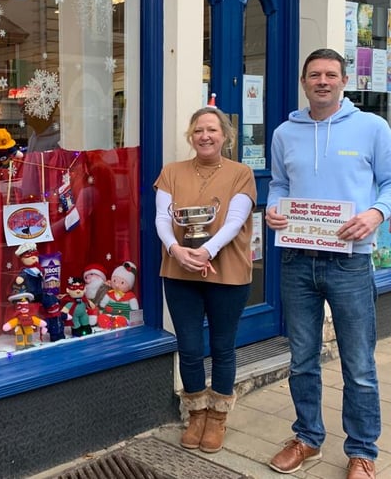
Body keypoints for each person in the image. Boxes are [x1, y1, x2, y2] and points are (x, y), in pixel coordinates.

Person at [265, 48, 391, 479]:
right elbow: (280, 183)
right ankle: (307, 438)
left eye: (331, 75)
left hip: (350, 264)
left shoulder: (373, 127)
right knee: (301, 358)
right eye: (314, 75)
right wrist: (273, 209)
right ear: (304, 83)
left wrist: (375, 213)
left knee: (358, 365)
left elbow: (390, 182)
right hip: (297, 259)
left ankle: (362, 452)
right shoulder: (285, 132)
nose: (322, 81)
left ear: (343, 80)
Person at [154, 106, 256, 454]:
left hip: (227, 272)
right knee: (190, 347)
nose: (205, 136)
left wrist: (206, 251)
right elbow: (161, 217)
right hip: (179, 270)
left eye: (212, 130)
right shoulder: (171, 172)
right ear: (190, 136)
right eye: (199, 130)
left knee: (223, 347)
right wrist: (175, 249)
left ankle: (218, 417)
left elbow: (235, 220)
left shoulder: (241, 173)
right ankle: (195, 412)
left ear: (225, 136)